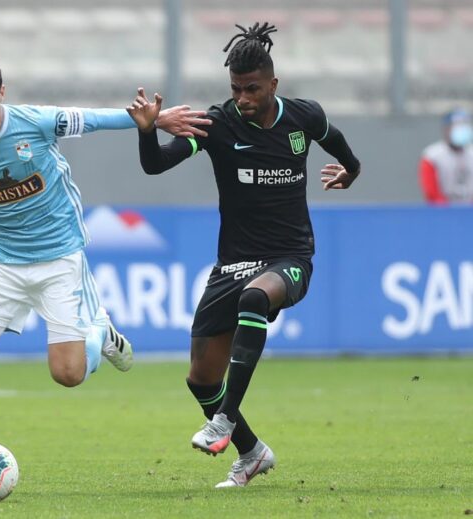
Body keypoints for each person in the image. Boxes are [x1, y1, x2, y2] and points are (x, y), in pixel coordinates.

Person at [0, 55, 207, 495]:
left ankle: (100, 334)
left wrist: (152, 122)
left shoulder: (35, 122)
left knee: (68, 374)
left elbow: (94, 120)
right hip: (2, 262)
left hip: (59, 260)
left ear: (1, 92)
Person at [127, 22, 361, 488]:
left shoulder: (304, 117)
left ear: (273, 83)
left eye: (252, 89)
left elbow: (336, 141)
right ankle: (252, 452)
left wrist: (351, 171)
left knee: (255, 298)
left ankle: (226, 419)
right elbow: (155, 165)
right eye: (236, 89)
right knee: (200, 379)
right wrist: (147, 132)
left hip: (290, 257)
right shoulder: (218, 125)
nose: (243, 98)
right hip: (233, 264)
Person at [419, 108, 473, 204]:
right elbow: (431, 192)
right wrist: (446, 208)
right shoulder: (432, 155)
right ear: (446, 129)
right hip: (443, 210)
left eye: (465, 126)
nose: (462, 130)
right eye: (458, 126)